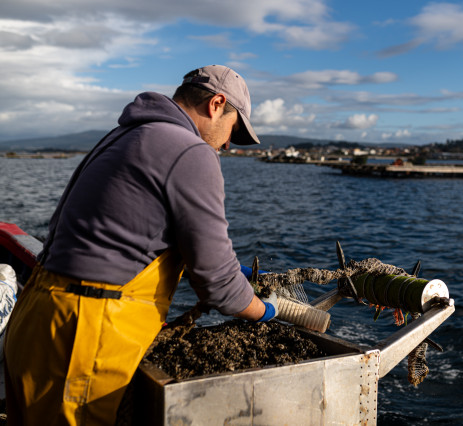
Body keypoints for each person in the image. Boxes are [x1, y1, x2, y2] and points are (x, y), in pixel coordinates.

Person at [3, 65, 276, 425]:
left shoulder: (124, 135)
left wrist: (232, 269)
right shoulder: (191, 152)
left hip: (37, 316)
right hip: (83, 336)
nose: (228, 144)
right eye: (234, 129)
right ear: (216, 104)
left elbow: (127, 237)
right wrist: (269, 311)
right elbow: (217, 285)